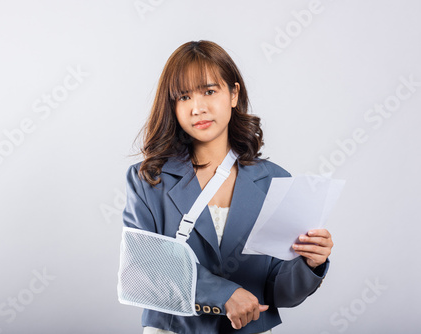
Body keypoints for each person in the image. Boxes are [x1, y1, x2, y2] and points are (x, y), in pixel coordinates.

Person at [121, 40, 333, 334]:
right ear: (173, 106)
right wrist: (223, 294)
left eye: (209, 91)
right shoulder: (148, 179)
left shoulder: (275, 181)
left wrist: (310, 263)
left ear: (233, 94)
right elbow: (145, 269)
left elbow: (280, 291)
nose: (198, 108)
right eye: (183, 97)